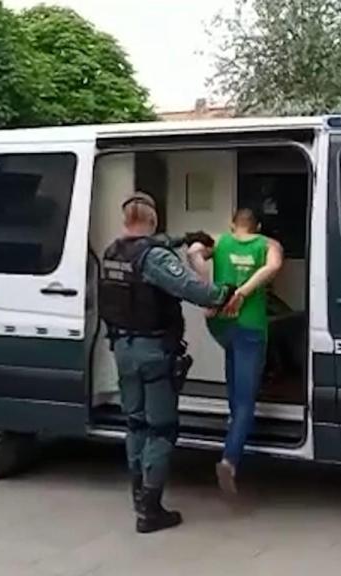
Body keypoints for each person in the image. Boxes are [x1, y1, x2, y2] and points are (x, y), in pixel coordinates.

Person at [98, 192, 235, 534]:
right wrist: (224, 292)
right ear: (154, 220)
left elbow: (153, 244)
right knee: (161, 429)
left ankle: (138, 496)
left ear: (126, 218)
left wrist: (187, 239)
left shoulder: (113, 251)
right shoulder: (155, 257)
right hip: (153, 352)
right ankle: (151, 511)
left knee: (136, 424)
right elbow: (194, 289)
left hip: (123, 349)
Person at [206, 208, 283, 495]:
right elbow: (273, 267)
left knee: (233, 375)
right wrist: (245, 291)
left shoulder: (219, 241)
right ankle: (229, 460)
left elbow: (194, 251)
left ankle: (231, 425)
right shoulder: (268, 245)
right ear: (258, 226)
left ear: (232, 224)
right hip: (251, 328)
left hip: (221, 325)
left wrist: (207, 289)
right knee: (245, 401)